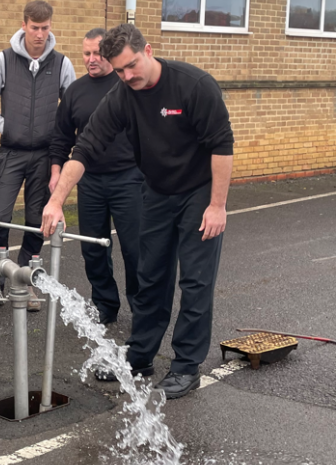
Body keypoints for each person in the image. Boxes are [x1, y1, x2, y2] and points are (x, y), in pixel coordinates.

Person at [42, 23, 234, 400]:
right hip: (157, 192)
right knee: (150, 275)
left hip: (199, 192)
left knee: (194, 281)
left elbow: (222, 146)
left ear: (148, 50)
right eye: (119, 70)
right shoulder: (123, 95)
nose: (127, 76)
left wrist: (217, 205)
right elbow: (86, 148)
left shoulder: (194, 85)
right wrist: (56, 199)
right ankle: (140, 355)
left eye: (131, 66)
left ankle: (185, 366)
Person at [0, 0, 75, 312]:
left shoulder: (62, 64)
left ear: (50, 27)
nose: (40, 34)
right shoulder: (4, 60)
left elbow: (72, 110)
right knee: (0, 218)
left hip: (45, 155)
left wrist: (60, 147)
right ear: (24, 25)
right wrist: (6, 127)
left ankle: (26, 284)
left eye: (45, 28)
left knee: (37, 222)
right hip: (11, 152)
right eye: (34, 27)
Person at [48, 28, 143, 326]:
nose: (91, 59)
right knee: (93, 248)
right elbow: (62, 137)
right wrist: (55, 171)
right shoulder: (75, 92)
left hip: (129, 179)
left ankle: (142, 308)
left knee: (135, 249)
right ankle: (104, 304)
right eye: (86, 53)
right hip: (89, 181)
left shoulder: (127, 86)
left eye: (97, 54)